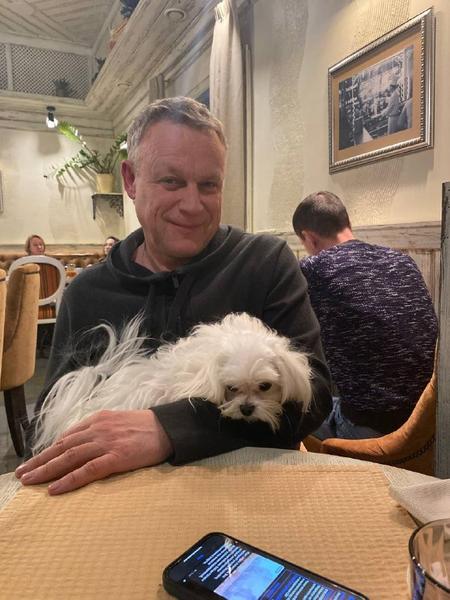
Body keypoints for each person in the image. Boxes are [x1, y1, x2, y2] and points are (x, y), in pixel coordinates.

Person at [16, 97, 332, 495]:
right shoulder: (87, 292)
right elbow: (49, 428)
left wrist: (167, 428)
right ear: (130, 180)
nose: (192, 205)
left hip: (248, 493)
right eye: (171, 181)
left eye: (209, 185)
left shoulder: (265, 263)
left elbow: (315, 398)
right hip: (118, 500)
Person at [292, 190, 437, 440]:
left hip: (370, 427)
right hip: (427, 418)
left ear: (309, 238)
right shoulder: (402, 260)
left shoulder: (314, 269)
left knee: (282, 409)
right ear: (346, 223)